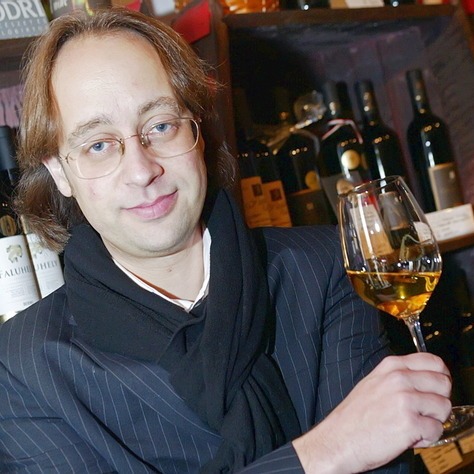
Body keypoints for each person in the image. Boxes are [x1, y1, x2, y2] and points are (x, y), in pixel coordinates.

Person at [0, 8, 451, 474]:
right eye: (98, 145)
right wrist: (325, 452)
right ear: (60, 172)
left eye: (160, 126)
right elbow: (355, 448)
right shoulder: (23, 368)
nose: (142, 170)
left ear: (197, 130)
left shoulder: (322, 269)